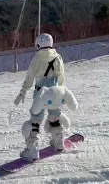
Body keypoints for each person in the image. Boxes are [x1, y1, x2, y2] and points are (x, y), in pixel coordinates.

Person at [13, 33, 66, 162]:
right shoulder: (57, 57)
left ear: (38, 44)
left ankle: (32, 150)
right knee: (55, 116)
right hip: (54, 92)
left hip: (40, 93)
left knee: (36, 119)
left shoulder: (36, 58)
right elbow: (61, 77)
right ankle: (58, 142)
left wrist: (23, 92)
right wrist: (61, 91)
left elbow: (30, 78)